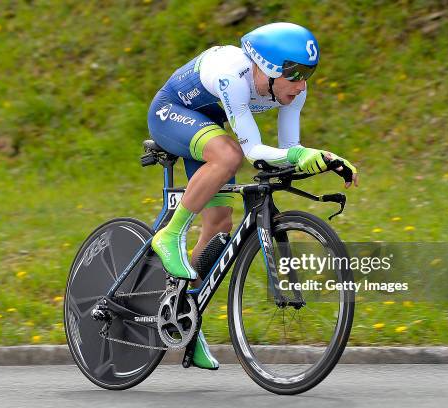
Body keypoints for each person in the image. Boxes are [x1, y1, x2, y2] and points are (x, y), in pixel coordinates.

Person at [147, 22, 358, 370]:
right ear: (268, 68)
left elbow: (290, 151)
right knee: (228, 154)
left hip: (208, 127)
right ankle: (169, 235)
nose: (302, 84)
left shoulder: (293, 91)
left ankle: (184, 313)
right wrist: (299, 156)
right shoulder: (234, 75)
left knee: (218, 227)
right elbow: (255, 152)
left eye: (308, 74)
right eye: (294, 73)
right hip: (170, 114)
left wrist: (326, 161)